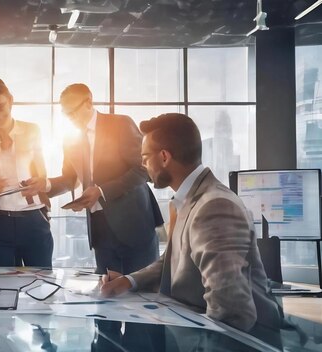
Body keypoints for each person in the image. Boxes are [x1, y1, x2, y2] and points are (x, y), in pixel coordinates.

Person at [100, 113, 282, 345]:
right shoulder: (190, 199)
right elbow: (175, 259)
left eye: (145, 157)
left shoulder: (214, 206)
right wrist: (128, 281)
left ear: (164, 157)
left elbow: (232, 312)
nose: (143, 164)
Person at [24, 83, 162, 275]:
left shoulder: (120, 124)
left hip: (133, 225)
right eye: (66, 114)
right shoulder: (71, 140)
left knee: (142, 294)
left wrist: (102, 191)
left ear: (89, 101)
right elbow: (69, 179)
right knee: (106, 296)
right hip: (100, 229)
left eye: (73, 112)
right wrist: (45, 184)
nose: (70, 118)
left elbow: (143, 169)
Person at [0, 76, 53, 267]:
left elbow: (42, 173)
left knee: (41, 286)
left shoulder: (32, 130)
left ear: (10, 100)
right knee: (0, 288)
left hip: (33, 219)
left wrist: (39, 181)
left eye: (0, 107)